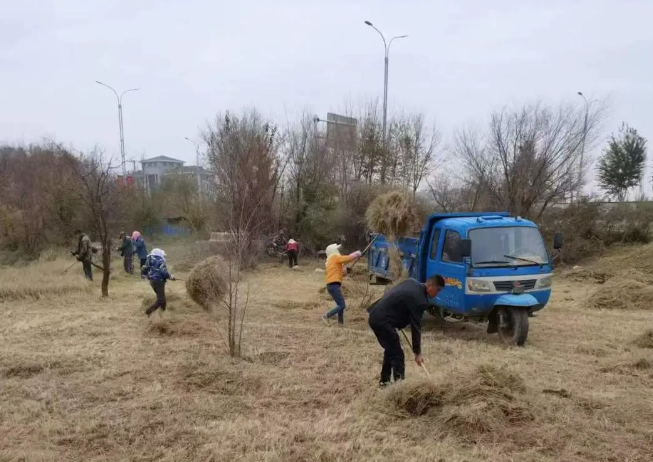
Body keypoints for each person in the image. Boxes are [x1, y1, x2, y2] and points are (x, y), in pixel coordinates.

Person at [367, 275, 445, 387]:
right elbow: (416, 326)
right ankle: (400, 387)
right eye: (438, 290)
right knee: (398, 354)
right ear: (430, 285)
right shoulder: (419, 300)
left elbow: (395, 297)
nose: (438, 293)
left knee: (391, 350)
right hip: (382, 321)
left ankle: (384, 382)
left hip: (376, 314)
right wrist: (417, 353)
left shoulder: (411, 282)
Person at [321, 244, 362, 325]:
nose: (338, 250)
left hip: (332, 286)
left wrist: (346, 272)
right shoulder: (334, 257)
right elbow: (347, 258)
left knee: (340, 305)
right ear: (333, 251)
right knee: (342, 305)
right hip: (333, 285)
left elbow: (339, 273)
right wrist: (356, 254)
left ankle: (340, 323)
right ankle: (326, 316)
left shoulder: (331, 261)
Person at [142, 248, 175, 316]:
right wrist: (171, 277)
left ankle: (162, 313)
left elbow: (144, 268)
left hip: (152, 281)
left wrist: (144, 275)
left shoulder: (149, 259)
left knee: (162, 298)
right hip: (159, 281)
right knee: (161, 300)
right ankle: (148, 312)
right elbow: (164, 272)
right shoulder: (160, 260)